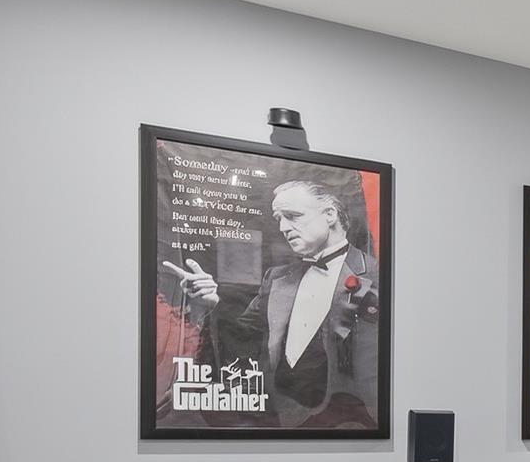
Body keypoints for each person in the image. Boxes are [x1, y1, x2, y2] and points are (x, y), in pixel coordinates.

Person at [162, 178, 380, 428]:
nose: (283, 227)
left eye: (292, 216)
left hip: (352, 429)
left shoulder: (377, 276)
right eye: (279, 219)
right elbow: (245, 338)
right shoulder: (276, 279)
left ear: (330, 215)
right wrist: (213, 300)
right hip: (279, 424)